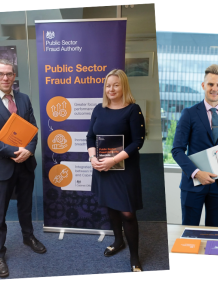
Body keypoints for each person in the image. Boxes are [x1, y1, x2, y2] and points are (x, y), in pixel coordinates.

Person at [0, 59, 46, 278]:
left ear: (14, 76)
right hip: (1, 167)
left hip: (25, 164)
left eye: (9, 74)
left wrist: (30, 150)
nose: (5, 78)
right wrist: (14, 150)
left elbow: (33, 129)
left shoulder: (24, 99)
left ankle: (28, 236)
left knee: (25, 206)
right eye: (1, 74)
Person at [86, 69, 145, 272]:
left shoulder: (133, 109)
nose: (111, 89)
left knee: (127, 213)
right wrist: (93, 158)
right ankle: (118, 241)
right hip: (103, 166)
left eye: (116, 85)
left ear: (123, 87)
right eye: (108, 85)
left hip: (124, 167)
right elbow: (90, 137)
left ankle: (135, 256)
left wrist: (113, 160)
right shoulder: (98, 109)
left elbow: (138, 142)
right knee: (111, 206)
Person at [171, 64, 218, 227]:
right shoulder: (189, 113)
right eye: (210, 84)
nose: (214, 88)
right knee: (189, 232)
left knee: (214, 233)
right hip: (193, 184)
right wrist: (196, 173)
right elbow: (177, 150)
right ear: (203, 86)